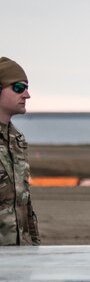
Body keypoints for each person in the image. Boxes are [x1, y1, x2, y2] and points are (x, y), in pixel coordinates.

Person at [0, 56, 40, 246]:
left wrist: (34, 249)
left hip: (20, 259)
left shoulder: (17, 140)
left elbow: (25, 206)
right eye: (18, 88)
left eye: (27, 87)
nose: (26, 95)